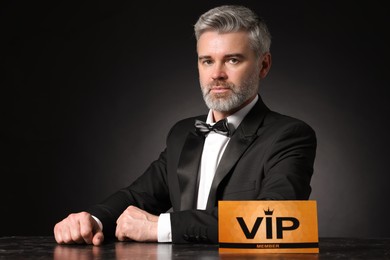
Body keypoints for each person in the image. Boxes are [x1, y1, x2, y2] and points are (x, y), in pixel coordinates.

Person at [53, 4, 317, 245]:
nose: (217, 74)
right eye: (207, 61)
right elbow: (137, 196)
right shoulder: (182, 133)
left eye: (233, 59)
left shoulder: (290, 135)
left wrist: (161, 227)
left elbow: (280, 221)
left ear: (264, 65)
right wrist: (91, 220)